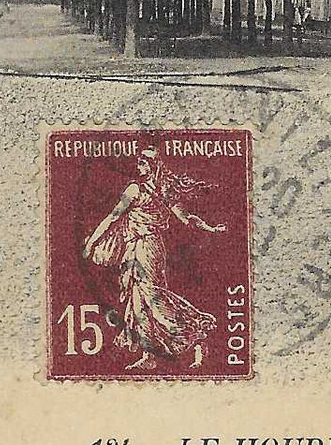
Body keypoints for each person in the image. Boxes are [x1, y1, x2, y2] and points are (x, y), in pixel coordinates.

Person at [82, 147, 227, 371]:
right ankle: (149, 354)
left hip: (147, 247)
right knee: (138, 298)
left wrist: (209, 227)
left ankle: (195, 335)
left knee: (151, 295)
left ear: (152, 166)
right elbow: (114, 217)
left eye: (142, 164)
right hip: (135, 248)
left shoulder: (142, 190)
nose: (138, 167)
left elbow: (185, 218)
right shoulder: (149, 190)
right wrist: (92, 240)